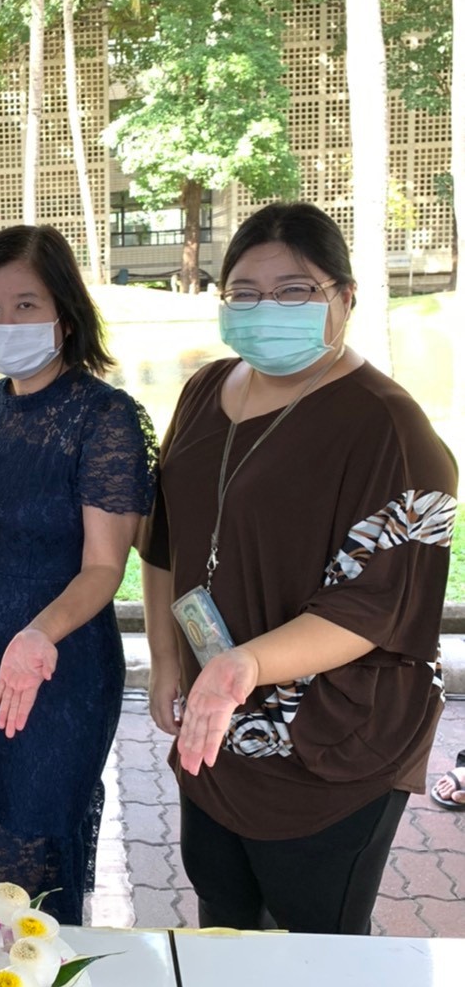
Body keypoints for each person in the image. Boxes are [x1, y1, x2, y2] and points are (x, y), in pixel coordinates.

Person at [140, 202, 458, 935]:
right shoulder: (206, 390)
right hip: (216, 724)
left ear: (345, 298)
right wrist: (166, 660)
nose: (267, 310)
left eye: (294, 290)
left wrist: (240, 667)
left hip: (331, 739)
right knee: (223, 917)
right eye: (244, 293)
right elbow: (164, 540)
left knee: (318, 941)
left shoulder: (390, 430)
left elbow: (376, 608)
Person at [0, 225, 157, 926]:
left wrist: (39, 635)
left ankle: (39, 983)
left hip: (60, 667)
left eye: (26, 305)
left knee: (32, 849)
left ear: (66, 312)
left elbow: (104, 567)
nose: (6, 323)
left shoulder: (106, 417)